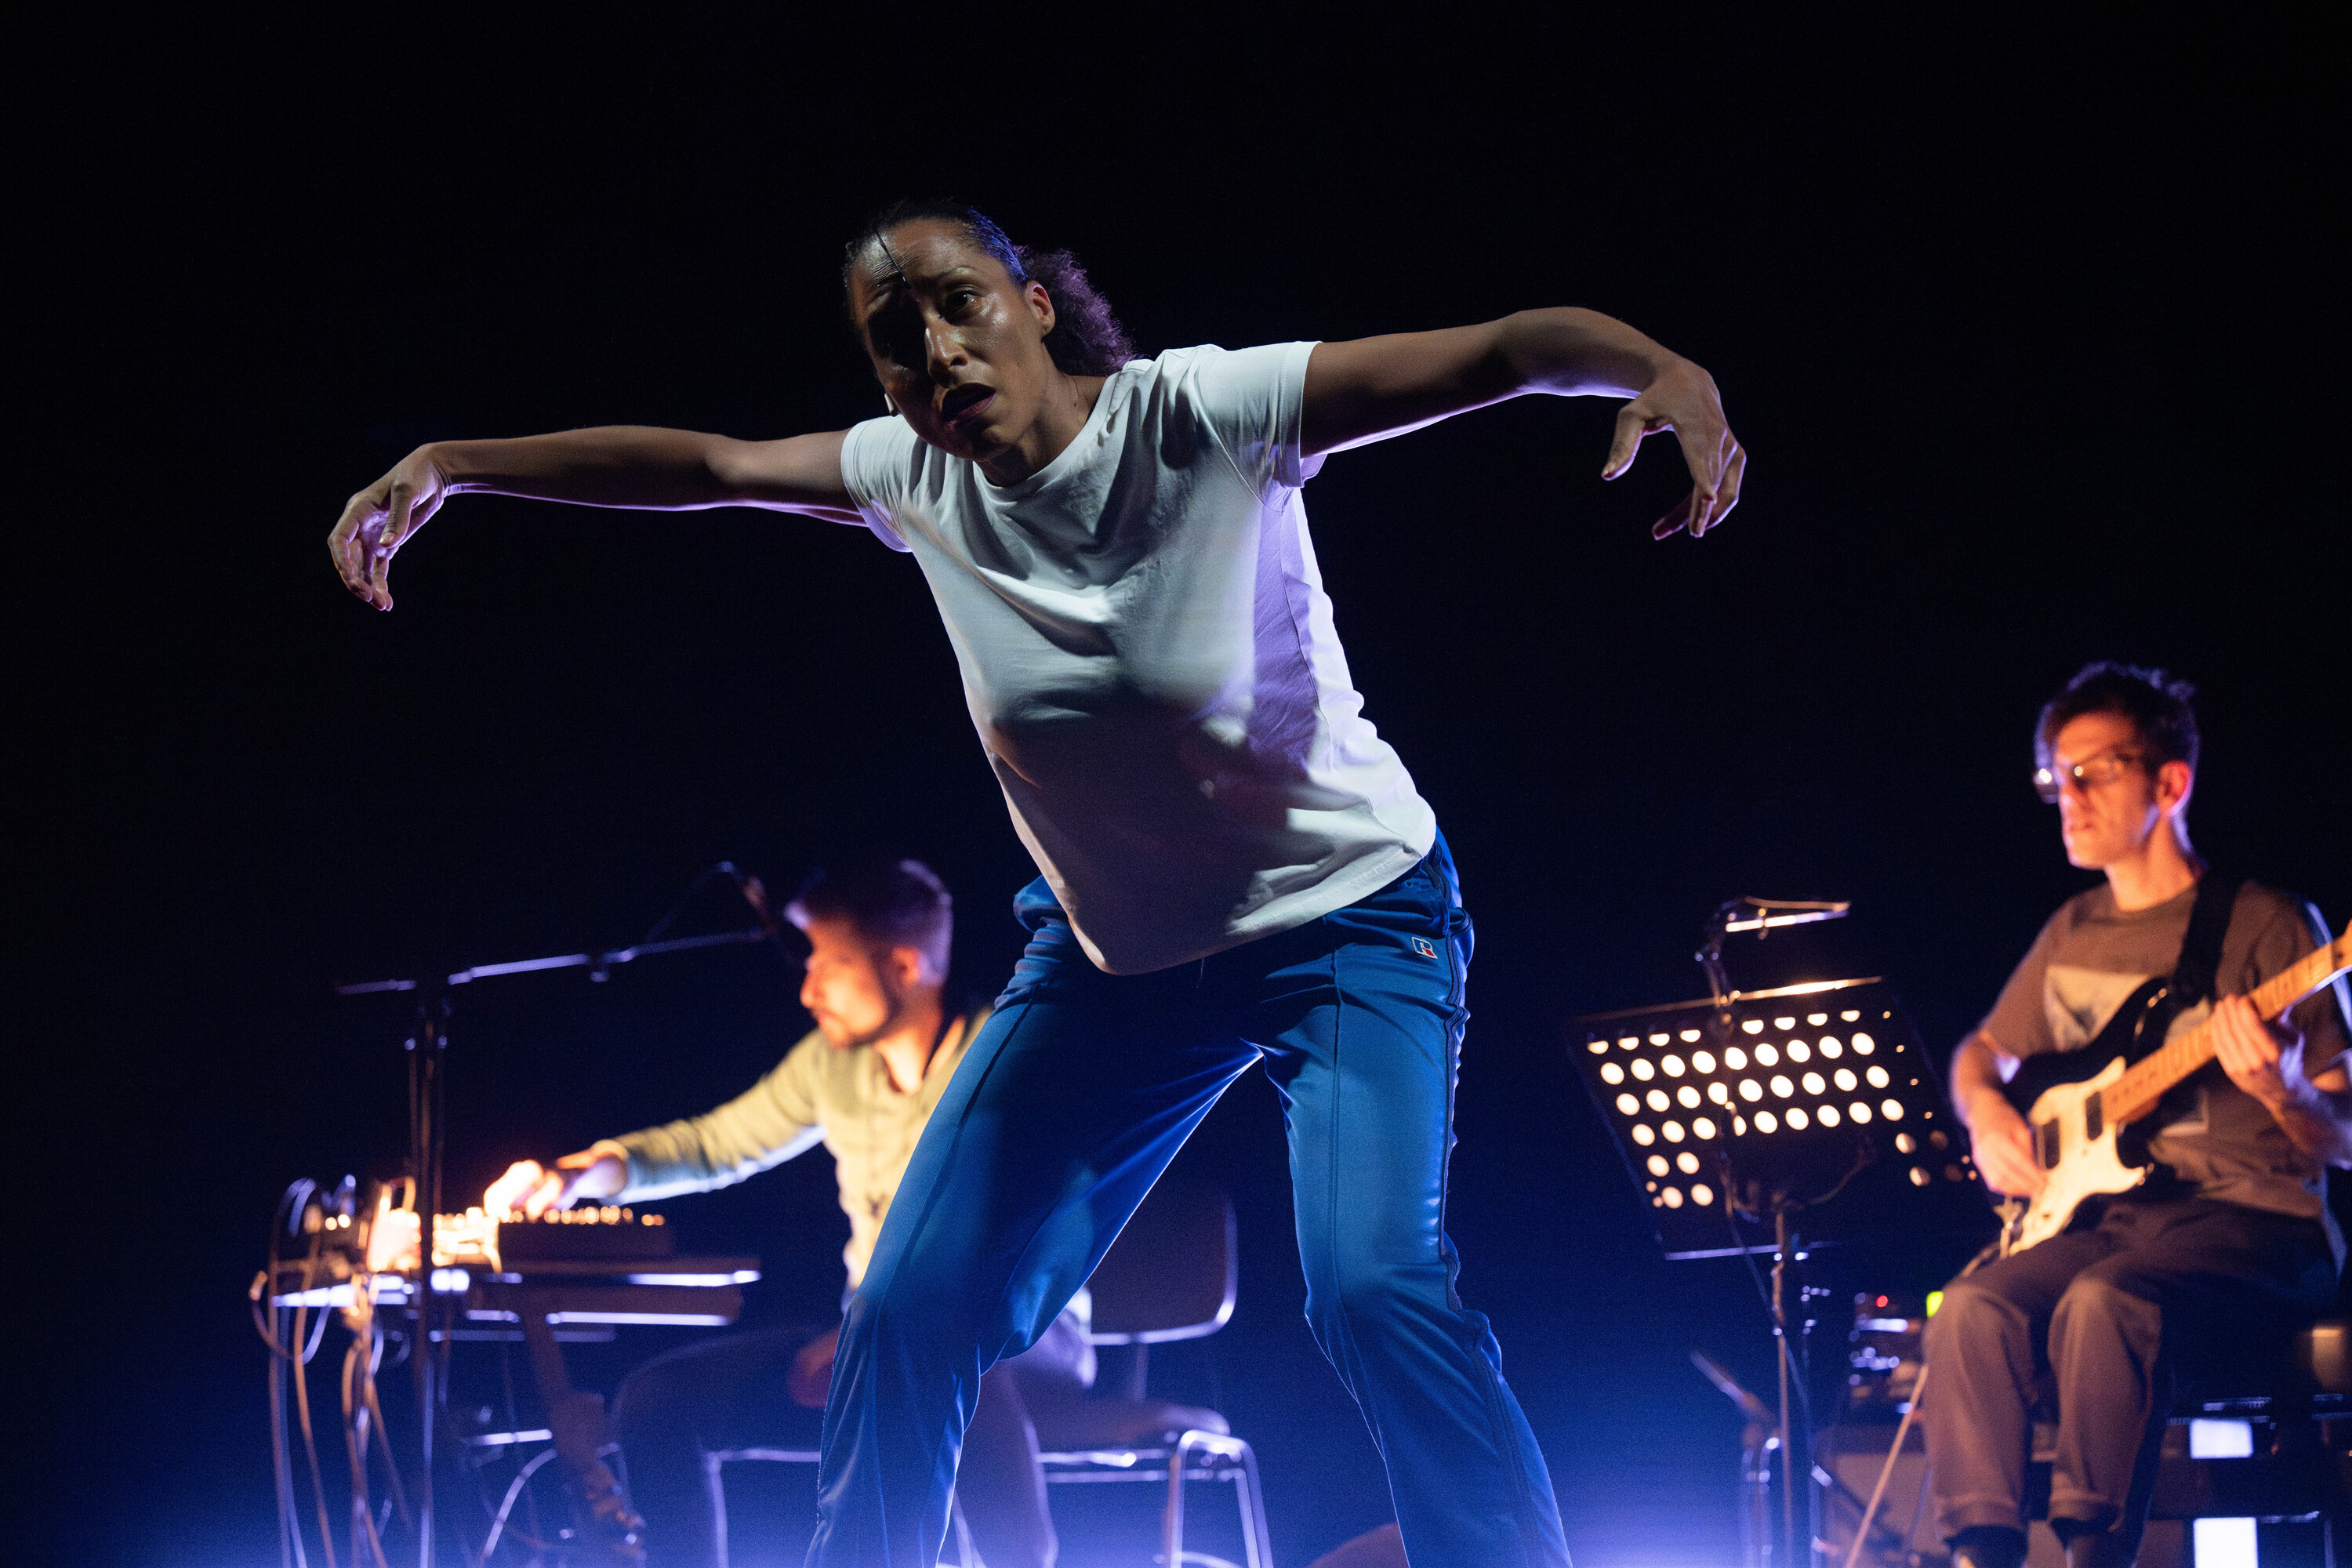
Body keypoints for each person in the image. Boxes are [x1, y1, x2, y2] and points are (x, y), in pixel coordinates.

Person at [333, 198, 1748, 1568]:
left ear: (1035, 306)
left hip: (1348, 922)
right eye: (897, 336)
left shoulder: (1205, 414)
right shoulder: (910, 477)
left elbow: (1498, 351)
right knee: (909, 1307)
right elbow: (705, 464)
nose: (936, 351)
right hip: (1116, 965)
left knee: (1374, 1290)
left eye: (960, 305)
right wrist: (453, 460)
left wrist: (1659, 368)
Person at [484, 858, 1135, 1568]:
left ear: (903, 964)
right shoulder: (834, 1065)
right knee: (657, 1399)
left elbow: (1044, 1225)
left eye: (830, 964)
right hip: (873, 1341)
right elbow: (714, 1144)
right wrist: (576, 1174)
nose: (808, 989)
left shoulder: (1002, 1053)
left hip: (1027, 1334)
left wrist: (882, 1330)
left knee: (947, 1356)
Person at [1926, 663, 2352, 1568]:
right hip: (2117, 1219)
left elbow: (2344, 1138)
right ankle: (1981, 1552)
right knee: (1969, 1306)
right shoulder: (2073, 928)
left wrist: (2282, 1086)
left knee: (2103, 1300)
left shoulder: (2272, 925)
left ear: (2170, 783)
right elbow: (1979, 1054)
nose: (2066, 796)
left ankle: (2092, 1555)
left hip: (2256, 1225)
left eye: (2093, 772)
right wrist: (1988, 1116)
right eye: (2056, 775)